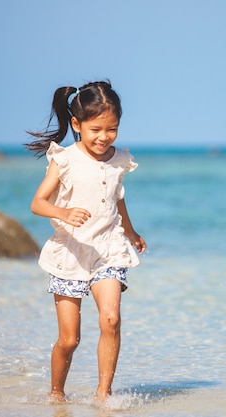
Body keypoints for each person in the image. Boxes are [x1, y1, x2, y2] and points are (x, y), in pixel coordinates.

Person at [26, 80, 146, 405]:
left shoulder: (119, 159)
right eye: (95, 129)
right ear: (77, 125)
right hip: (70, 254)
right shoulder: (64, 160)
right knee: (69, 339)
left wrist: (131, 234)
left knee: (111, 319)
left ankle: (103, 396)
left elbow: (116, 199)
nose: (104, 137)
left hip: (108, 250)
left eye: (112, 129)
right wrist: (63, 212)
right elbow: (38, 203)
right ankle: (56, 395)